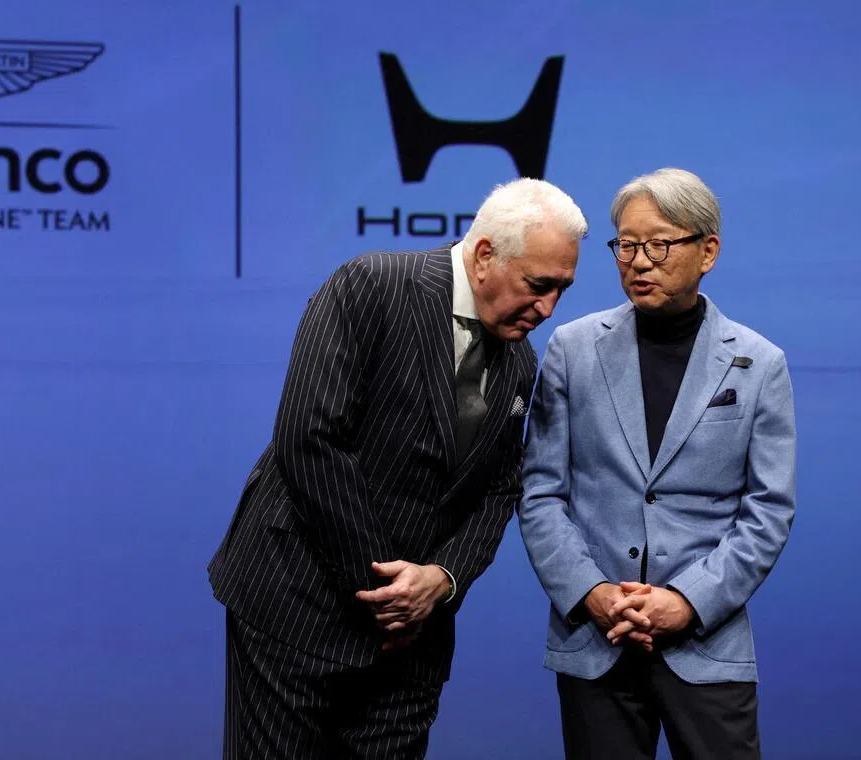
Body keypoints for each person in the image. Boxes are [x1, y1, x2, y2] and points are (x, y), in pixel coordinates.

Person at [208, 178, 587, 759]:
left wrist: (443, 579)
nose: (548, 308)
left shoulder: (519, 360)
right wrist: (387, 593)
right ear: (485, 255)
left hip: (413, 643)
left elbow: (501, 487)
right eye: (538, 286)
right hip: (296, 605)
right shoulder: (373, 286)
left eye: (562, 289)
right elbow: (309, 438)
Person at [517, 167, 796, 759]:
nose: (639, 261)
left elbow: (767, 511)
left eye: (660, 244)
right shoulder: (571, 348)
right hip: (596, 636)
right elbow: (540, 492)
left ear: (708, 251)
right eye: (626, 245)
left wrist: (689, 601)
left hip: (706, 639)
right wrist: (591, 591)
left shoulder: (759, 362)